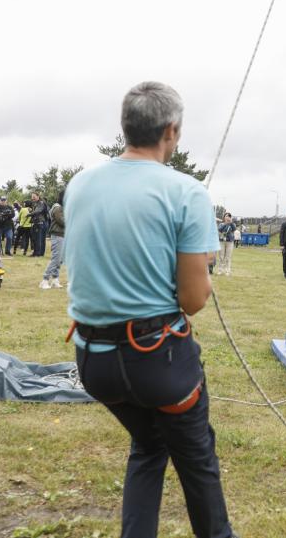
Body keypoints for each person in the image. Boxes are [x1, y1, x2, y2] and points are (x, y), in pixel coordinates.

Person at [64, 81, 235, 537]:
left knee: (148, 445)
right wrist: (203, 267)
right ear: (171, 132)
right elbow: (194, 301)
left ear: (126, 127)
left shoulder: (79, 184)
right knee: (196, 461)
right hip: (158, 360)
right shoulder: (186, 191)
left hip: (93, 360)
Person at [40, 191, 65, 289]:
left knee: (60, 259)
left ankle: (55, 279)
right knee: (56, 259)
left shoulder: (61, 207)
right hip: (57, 235)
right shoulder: (58, 208)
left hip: (62, 235)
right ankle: (45, 280)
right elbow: (62, 221)